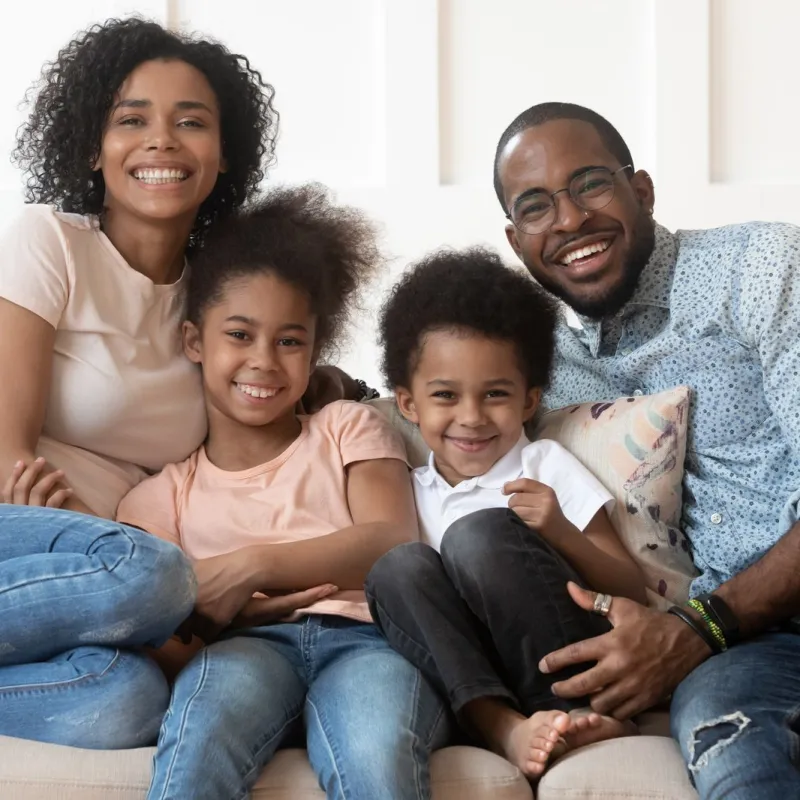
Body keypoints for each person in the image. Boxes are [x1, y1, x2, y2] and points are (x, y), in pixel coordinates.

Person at [0, 18, 323, 751]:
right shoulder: (47, 243)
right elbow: (6, 457)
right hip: (34, 542)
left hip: (104, 588)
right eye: (132, 119)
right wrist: (163, 575)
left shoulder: (217, 299)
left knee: (127, 703)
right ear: (92, 144)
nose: (163, 140)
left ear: (222, 154)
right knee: (155, 576)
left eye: (192, 122)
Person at [492, 101, 800, 798]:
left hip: (722, 628)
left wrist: (697, 627)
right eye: (537, 206)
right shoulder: (546, 365)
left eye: (591, 184)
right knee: (729, 739)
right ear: (516, 241)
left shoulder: (761, 269)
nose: (569, 220)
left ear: (644, 192)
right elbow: (438, 401)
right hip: (752, 653)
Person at [107, 185, 449, 800]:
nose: (264, 360)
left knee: (377, 754)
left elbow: (390, 541)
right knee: (199, 739)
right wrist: (220, 611)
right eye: (239, 335)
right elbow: (166, 630)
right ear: (194, 342)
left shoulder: (348, 427)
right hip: (244, 652)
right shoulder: (158, 498)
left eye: (289, 341)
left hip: (366, 642)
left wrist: (252, 566)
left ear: (314, 351)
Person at [365, 248, 643, 780]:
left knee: (479, 535)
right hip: (473, 678)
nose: (471, 418)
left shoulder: (544, 464)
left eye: (495, 394)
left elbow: (629, 583)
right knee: (396, 566)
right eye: (445, 395)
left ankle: (578, 711)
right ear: (407, 404)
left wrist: (561, 531)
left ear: (529, 400)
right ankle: (504, 727)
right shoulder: (406, 489)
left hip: (557, 658)